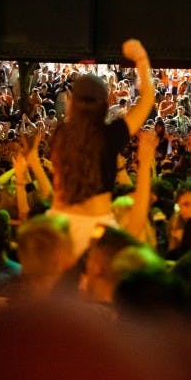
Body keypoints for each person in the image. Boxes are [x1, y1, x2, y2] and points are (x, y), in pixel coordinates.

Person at [47, 39, 155, 257]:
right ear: (106, 104)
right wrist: (141, 59)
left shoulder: (60, 135)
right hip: (97, 232)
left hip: (57, 229)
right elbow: (147, 99)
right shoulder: (111, 135)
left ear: (71, 103)